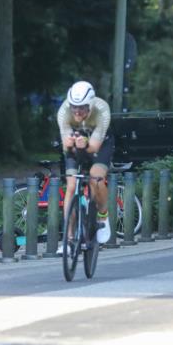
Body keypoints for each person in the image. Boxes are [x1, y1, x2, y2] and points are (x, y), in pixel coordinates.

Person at [57, 81, 114, 244]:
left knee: (96, 178)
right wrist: (70, 144)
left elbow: (94, 147)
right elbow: (66, 145)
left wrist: (85, 144)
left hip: (100, 144)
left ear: (90, 105)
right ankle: (68, 238)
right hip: (76, 143)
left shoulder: (102, 110)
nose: (76, 110)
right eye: (73, 106)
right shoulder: (63, 112)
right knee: (71, 185)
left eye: (81, 107)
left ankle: (103, 216)